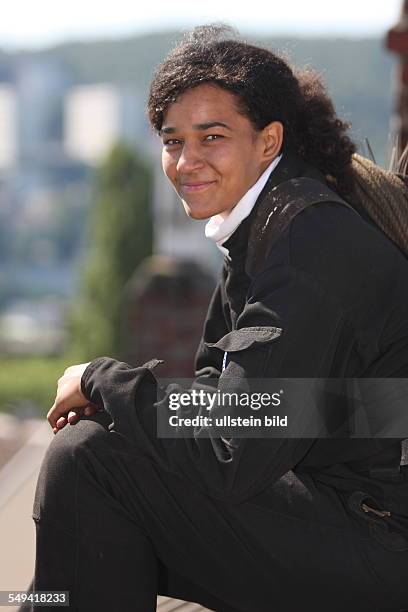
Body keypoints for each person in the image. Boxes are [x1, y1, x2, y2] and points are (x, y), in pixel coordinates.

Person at [29, 25, 408, 612]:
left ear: (268, 140)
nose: (186, 161)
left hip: (381, 544)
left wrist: (102, 379)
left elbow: (236, 444)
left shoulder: (307, 245)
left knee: (90, 462)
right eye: (172, 140)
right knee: (102, 451)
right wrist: (116, 403)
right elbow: (226, 397)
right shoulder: (268, 226)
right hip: (350, 516)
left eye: (212, 136)